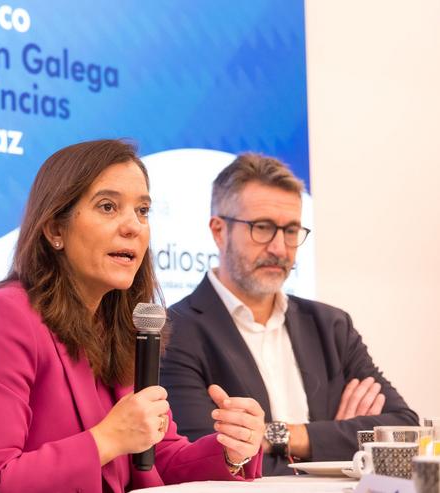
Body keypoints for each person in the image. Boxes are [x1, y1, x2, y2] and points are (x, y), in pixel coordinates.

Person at [0, 140, 266, 493]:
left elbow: (159, 459)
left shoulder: (126, 326)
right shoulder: (1, 318)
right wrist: (106, 440)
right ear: (55, 230)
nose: (133, 227)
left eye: (142, 211)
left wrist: (232, 450)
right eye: (108, 206)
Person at [160, 153, 418, 475]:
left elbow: (404, 431)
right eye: (263, 228)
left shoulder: (331, 326)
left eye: (292, 231)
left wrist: (279, 435)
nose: (280, 248)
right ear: (218, 231)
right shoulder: (175, 332)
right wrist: (334, 438)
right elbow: (205, 459)